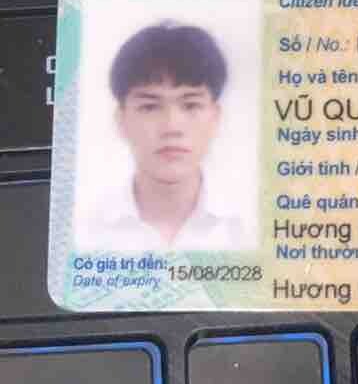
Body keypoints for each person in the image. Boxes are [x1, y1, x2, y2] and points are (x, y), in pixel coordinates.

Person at [82, 21, 248, 251]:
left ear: (215, 117)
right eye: (150, 107)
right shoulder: (85, 232)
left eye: (191, 105)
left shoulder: (247, 228)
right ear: (121, 119)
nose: (171, 126)